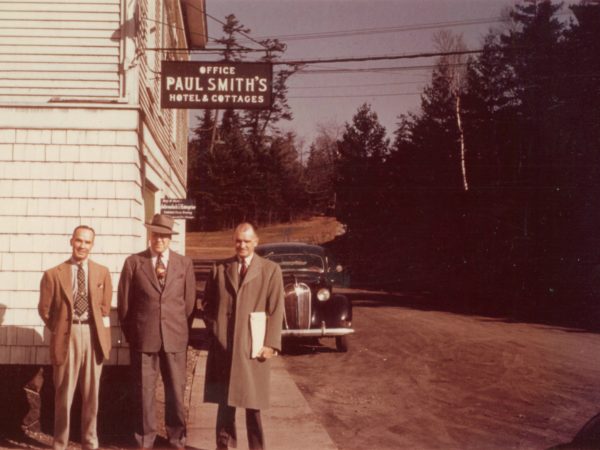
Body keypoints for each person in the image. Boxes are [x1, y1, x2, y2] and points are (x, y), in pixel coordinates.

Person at [117, 213, 196, 449]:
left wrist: (181, 331)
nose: (159, 240)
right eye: (155, 235)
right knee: (144, 392)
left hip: (175, 337)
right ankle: (144, 438)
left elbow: (189, 304)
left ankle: (176, 438)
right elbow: (124, 305)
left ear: (170, 238)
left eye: (164, 236)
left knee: (175, 390)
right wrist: (135, 334)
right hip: (144, 337)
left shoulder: (184, 264)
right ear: (149, 235)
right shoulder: (134, 262)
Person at [203, 222, 284, 450]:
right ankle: (225, 447)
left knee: (253, 405)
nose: (242, 245)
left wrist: (271, 344)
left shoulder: (270, 270)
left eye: (247, 241)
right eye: (238, 240)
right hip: (224, 347)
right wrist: (215, 329)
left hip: (253, 349)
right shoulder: (220, 268)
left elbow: (277, 309)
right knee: (224, 404)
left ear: (256, 242)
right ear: (233, 241)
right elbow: (207, 303)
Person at [38, 225, 113, 450]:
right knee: (64, 394)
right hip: (66, 336)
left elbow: (105, 307)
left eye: (87, 242)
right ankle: (60, 443)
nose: (82, 246)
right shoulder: (54, 274)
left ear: (92, 245)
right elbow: (44, 310)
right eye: (79, 241)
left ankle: (90, 442)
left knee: (92, 395)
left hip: (92, 335)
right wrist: (61, 327)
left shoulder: (102, 272)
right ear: (71, 241)